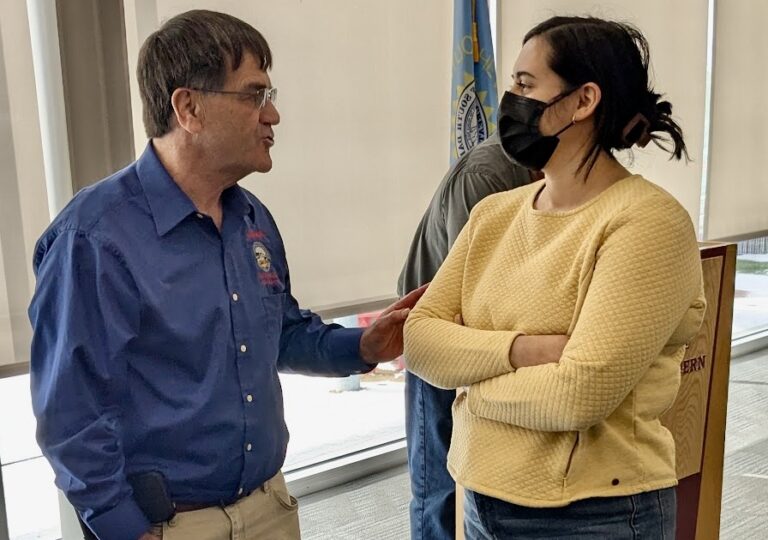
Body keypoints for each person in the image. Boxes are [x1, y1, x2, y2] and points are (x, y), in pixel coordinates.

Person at [28, 10, 425, 540]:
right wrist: (123, 529)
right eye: (255, 95)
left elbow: (280, 334)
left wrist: (363, 346)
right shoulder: (94, 239)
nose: (273, 115)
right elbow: (70, 414)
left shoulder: (251, 219)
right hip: (169, 525)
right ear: (188, 108)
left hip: (269, 506)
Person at [404, 16, 706, 539]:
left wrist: (470, 390)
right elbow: (419, 340)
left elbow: (578, 395)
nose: (511, 102)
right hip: (483, 499)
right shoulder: (494, 214)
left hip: (596, 515)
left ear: (583, 100)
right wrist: (522, 350)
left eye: (526, 85)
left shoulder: (647, 223)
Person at [397, 132, 533, 539]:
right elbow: (475, 290)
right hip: (438, 334)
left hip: (490, 339)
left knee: (480, 482)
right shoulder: (486, 174)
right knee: (438, 482)